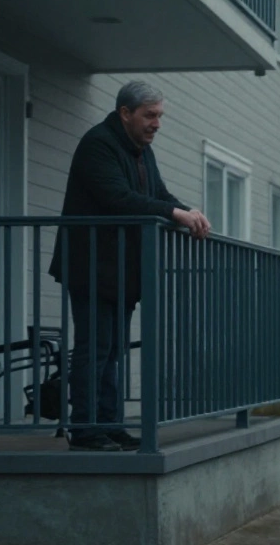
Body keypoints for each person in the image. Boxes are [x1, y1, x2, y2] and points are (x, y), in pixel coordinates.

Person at [49, 81, 211, 452]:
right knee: (95, 349)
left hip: (119, 271)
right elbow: (117, 198)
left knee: (112, 351)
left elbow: (157, 194)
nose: (157, 124)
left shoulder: (141, 148)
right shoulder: (99, 143)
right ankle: (87, 430)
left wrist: (190, 212)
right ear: (126, 113)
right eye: (150, 116)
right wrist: (175, 213)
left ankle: (109, 424)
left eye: (160, 116)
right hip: (91, 268)